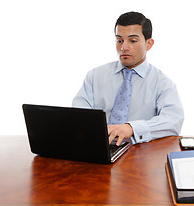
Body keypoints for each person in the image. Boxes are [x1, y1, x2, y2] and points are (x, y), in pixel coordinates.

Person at [72, 11, 184, 145]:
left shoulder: (163, 83)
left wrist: (131, 128)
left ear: (149, 44)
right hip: (97, 148)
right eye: (119, 40)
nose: (124, 47)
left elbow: (173, 121)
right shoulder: (95, 76)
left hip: (139, 155)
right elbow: (78, 115)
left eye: (133, 41)